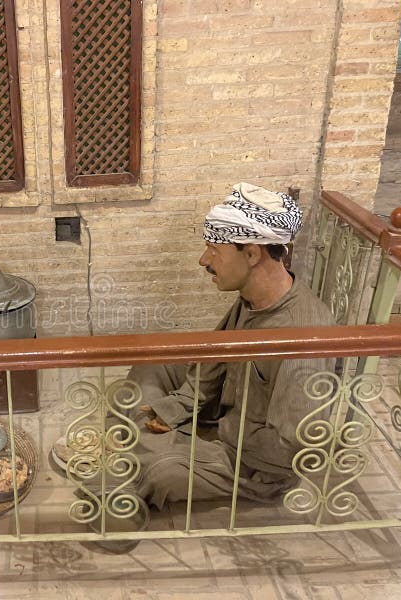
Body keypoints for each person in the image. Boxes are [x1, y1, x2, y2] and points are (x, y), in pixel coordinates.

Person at [126, 182, 336, 509]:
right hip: (225, 414)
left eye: (214, 250)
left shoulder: (303, 334)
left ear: (252, 253)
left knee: (159, 470)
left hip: (252, 463)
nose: (203, 261)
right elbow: (217, 356)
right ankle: (150, 441)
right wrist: (179, 407)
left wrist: (207, 438)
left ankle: (147, 453)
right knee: (150, 365)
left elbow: (290, 446)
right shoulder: (252, 298)